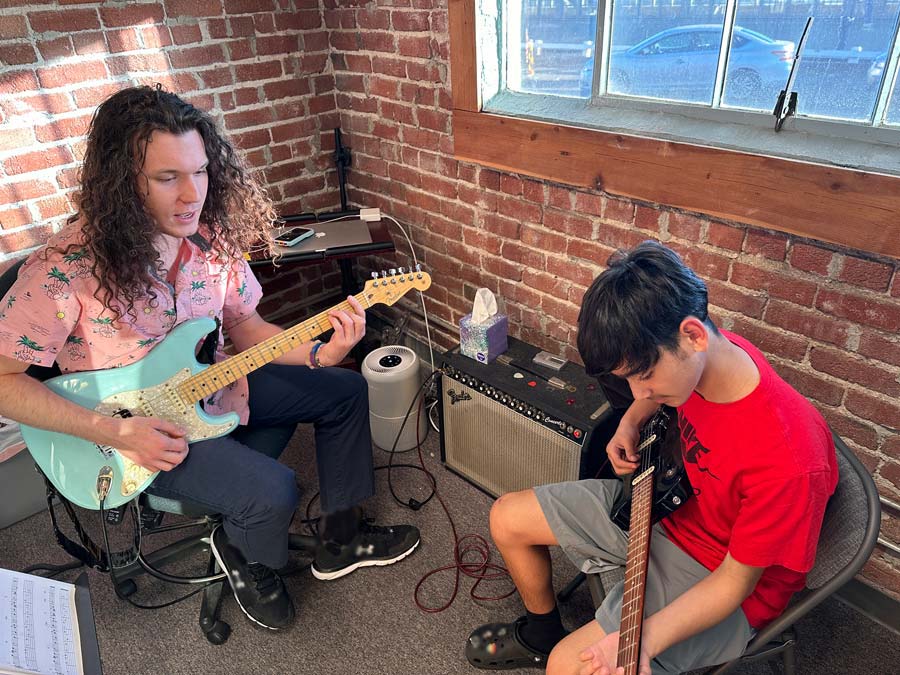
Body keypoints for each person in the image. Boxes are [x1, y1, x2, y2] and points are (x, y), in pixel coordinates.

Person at [0, 85, 419, 631]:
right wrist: (116, 431)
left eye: (199, 172)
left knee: (343, 389)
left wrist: (322, 350)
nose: (191, 194)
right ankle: (251, 562)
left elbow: (246, 327)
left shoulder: (212, 239)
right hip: (130, 435)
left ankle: (340, 537)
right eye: (167, 177)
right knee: (274, 489)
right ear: (122, 183)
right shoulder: (64, 269)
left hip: (215, 384)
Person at [464, 241, 837, 674]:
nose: (639, 393)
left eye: (644, 378)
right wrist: (631, 421)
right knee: (507, 518)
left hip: (719, 577)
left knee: (566, 668)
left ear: (693, 335)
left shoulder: (789, 461)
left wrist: (640, 640)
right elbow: (658, 398)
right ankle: (541, 636)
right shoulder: (710, 354)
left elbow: (735, 585)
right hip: (672, 511)